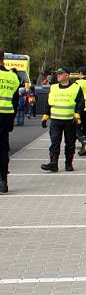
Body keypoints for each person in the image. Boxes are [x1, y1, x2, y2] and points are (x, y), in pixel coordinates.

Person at [41, 67, 85, 173]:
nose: (58, 75)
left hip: (70, 120)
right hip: (56, 120)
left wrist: (77, 115)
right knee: (54, 142)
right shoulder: (53, 87)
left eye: (60, 74)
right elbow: (49, 102)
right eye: (57, 74)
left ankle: (68, 163)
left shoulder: (76, 88)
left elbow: (81, 102)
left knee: (70, 143)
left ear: (67, 75)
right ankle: (53, 164)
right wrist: (45, 116)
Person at [0, 51, 21, 192]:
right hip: (6, 116)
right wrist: (12, 119)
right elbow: (15, 101)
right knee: (2, 149)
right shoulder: (13, 77)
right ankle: (3, 182)